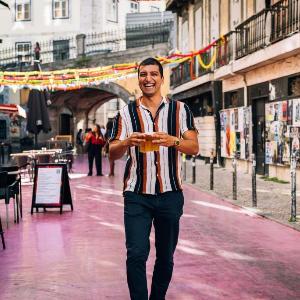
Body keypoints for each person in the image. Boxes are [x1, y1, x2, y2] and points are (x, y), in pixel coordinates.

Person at [109, 57, 199, 300]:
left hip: (170, 195)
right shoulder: (125, 114)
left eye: (153, 74)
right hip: (137, 195)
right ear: (138, 78)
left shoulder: (181, 110)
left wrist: (174, 141)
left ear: (161, 78)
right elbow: (112, 151)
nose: (148, 78)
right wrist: (127, 142)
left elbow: (194, 147)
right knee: (136, 254)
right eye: (143, 74)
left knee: (165, 256)